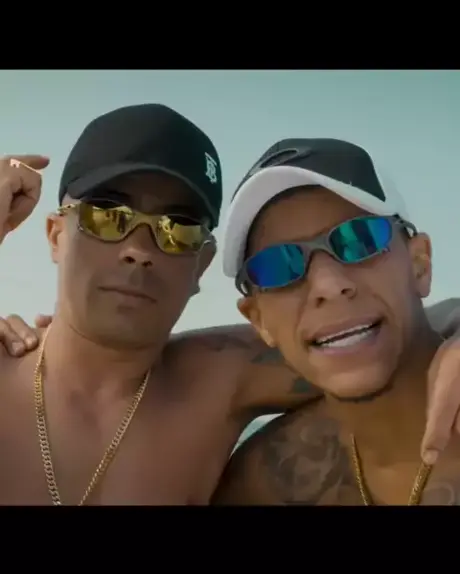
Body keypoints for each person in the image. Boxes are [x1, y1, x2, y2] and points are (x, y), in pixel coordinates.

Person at [1, 112, 460, 505]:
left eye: (178, 229)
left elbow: (398, 333)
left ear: (201, 264)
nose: (138, 250)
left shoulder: (220, 377)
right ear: (56, 236)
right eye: (107, 217)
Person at [212, 137, 460, 505]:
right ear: (259, 320)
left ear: (419, 265)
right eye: (279, 266)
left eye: (358, 240)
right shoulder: (264, 483)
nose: (328, 285)